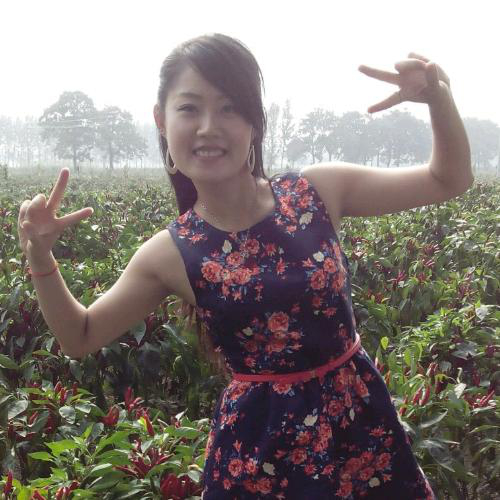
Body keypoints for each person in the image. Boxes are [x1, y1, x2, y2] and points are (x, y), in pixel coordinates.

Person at [18, 33, 472, 499]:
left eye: (230, 108)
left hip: (360, 428)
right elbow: (80, 336)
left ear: (255, 122)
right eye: (189, 108)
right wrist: (40, 256)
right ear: (161, 121)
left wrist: (437, 98)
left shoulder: (317, 191)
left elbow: (448, 179)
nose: (208, 127)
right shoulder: (170, 253)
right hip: (260, 454)